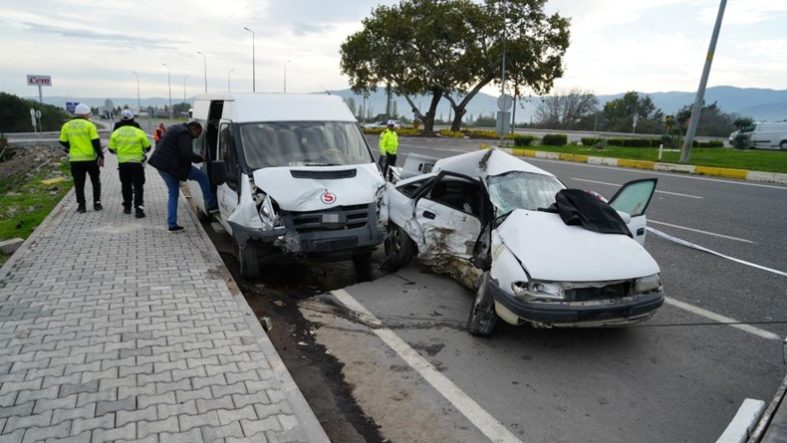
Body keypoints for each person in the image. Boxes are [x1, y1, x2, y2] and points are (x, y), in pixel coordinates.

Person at [147, 121, 217, 233]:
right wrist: (201, 158)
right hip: (172, 166)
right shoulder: (185, 134)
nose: (198, 136)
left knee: (173, 194)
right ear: (194, 129)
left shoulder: (176, 128)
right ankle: (211, 204)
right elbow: (187, 154)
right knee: (202, 177)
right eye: (198, 133)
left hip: (162, 165)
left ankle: (172, 224)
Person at [59, 103, 104, 213]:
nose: (89, 116)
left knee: (79, 184)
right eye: (88, 114)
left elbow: (62, 141)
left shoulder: (67, 125)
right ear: (85, 114)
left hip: (75, 160)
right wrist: (100, 155)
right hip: (90, 159)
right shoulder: (90, 125)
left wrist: (71, 148)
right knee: (95, 182)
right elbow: (95, 141)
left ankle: (81, 206)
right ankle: (97, 204)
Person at [108, 121, 151, 218]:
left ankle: (127, 207)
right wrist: (142, 151)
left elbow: (111, 149)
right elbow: (148, 147)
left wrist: (119, 152)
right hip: (137, 164)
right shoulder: (139, 132)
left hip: (123, 164)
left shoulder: (117, 132)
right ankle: (139, 209)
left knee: (125, 185)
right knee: (138, 186)